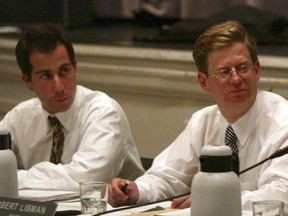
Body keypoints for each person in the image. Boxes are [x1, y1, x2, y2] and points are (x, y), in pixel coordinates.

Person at [108, 20, 288, 212]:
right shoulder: (203, 121)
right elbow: (167, 176)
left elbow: (281, 195)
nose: (236, 79)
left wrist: (214, 200)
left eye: (243, 68)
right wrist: (137, 191)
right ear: (204, 82)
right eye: (224, 72)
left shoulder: (283, 122)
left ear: (257, 70)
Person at [0, 25, 144, 192]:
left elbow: (85, 180)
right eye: (46, 76)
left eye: (64, 71)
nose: (59, 86)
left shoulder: (103, 112)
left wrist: (11, 176)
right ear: (28, 81)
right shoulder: (19, 117)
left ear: (74, 67)